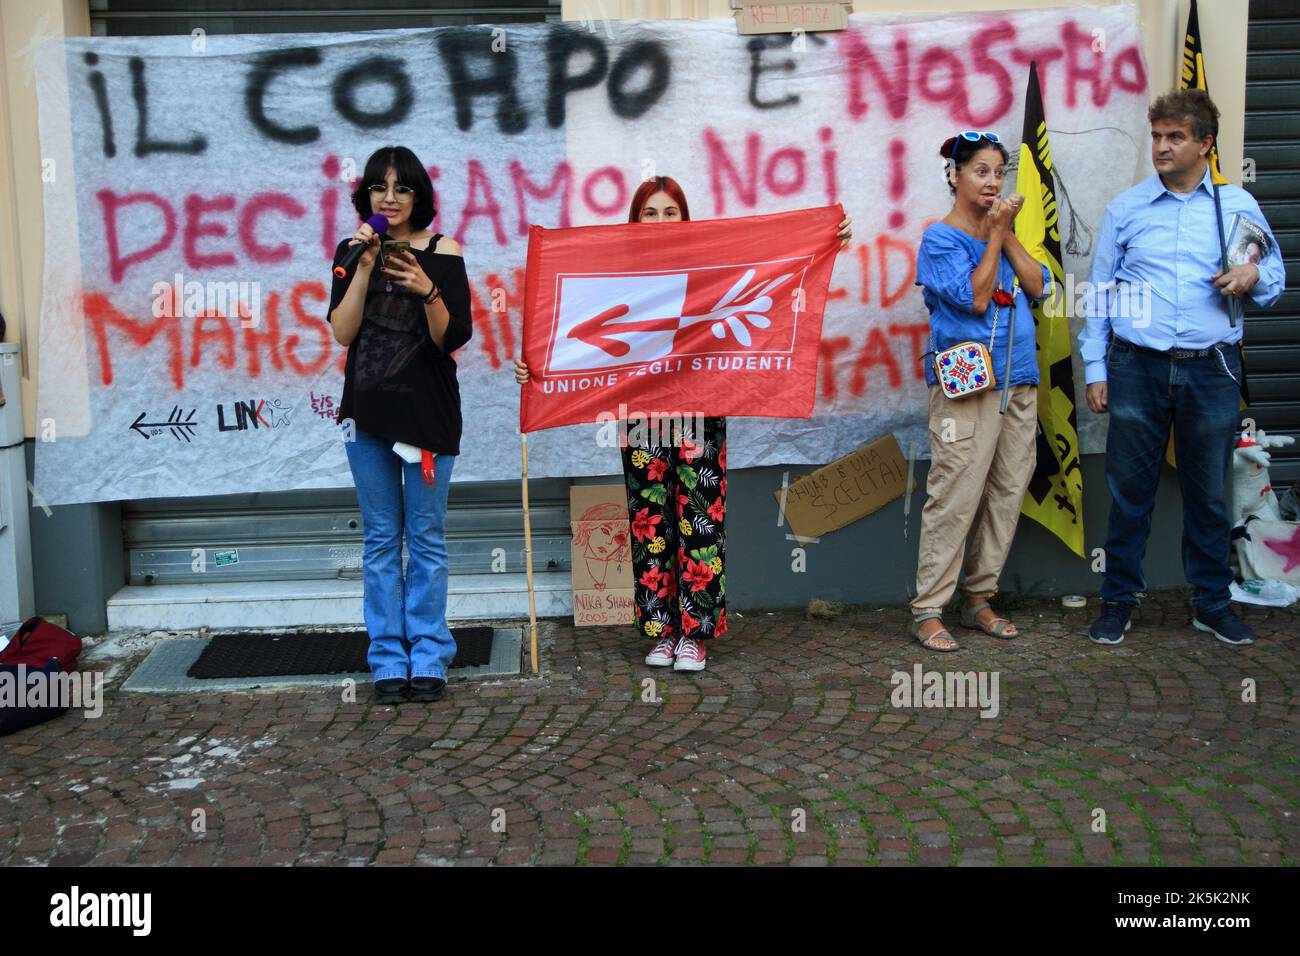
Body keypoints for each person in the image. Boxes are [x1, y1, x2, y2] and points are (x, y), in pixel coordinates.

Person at [516, 176, 851, 670]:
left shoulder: (710, 266)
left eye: (669, 212)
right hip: (643, 415)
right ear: (634, 221)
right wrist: (537, 367)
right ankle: (661, 631)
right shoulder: (617, 271)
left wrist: (826, 238)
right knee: (650, 523)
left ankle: (696, 634)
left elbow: (774, 268)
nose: (659, 222)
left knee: (699, 520)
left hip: (699, 409)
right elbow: (567, 328)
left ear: (685, 219)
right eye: (649, 213)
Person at [1080, 89, 1285, 646]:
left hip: (1212, 368)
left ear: (1205, 144)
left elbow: (1274, 281)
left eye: (1175, 137)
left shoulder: (1237, 205)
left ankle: (1212, 603)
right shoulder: (1127, 208)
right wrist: (1096, 367)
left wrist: (1252, 278)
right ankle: (1118, 601)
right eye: (1157, 136)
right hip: (1135, 368)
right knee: (1129, 493)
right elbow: (1098, 294)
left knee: (1207, 494)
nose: (1162, 147)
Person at [327, 145, 473, 702]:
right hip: (367, 418)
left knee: (427, 539)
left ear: (419, 197)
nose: (389, 197)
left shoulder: (443, 251)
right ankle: (388, 657)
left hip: (428, 418)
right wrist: (364, 267)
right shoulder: (351, 250)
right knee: (382, 540)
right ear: (365, 195)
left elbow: (450, 337)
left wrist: (427, 289)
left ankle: (430, 654)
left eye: (402, 187)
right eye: (379, 187)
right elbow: (343, 332)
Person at [909, 132, 1050, 652]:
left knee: (1007, 491)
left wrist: (1006, 233)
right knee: (955, 494)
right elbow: (973, 297)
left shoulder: (1005, 230)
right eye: (980, 171)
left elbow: (1036, 286)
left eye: (998, 172)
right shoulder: (939, 239)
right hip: (966, 385)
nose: (992, 181)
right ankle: (928, 608)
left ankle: (978, 597)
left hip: (1019, 379)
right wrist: (993, 236)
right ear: (955, 175)